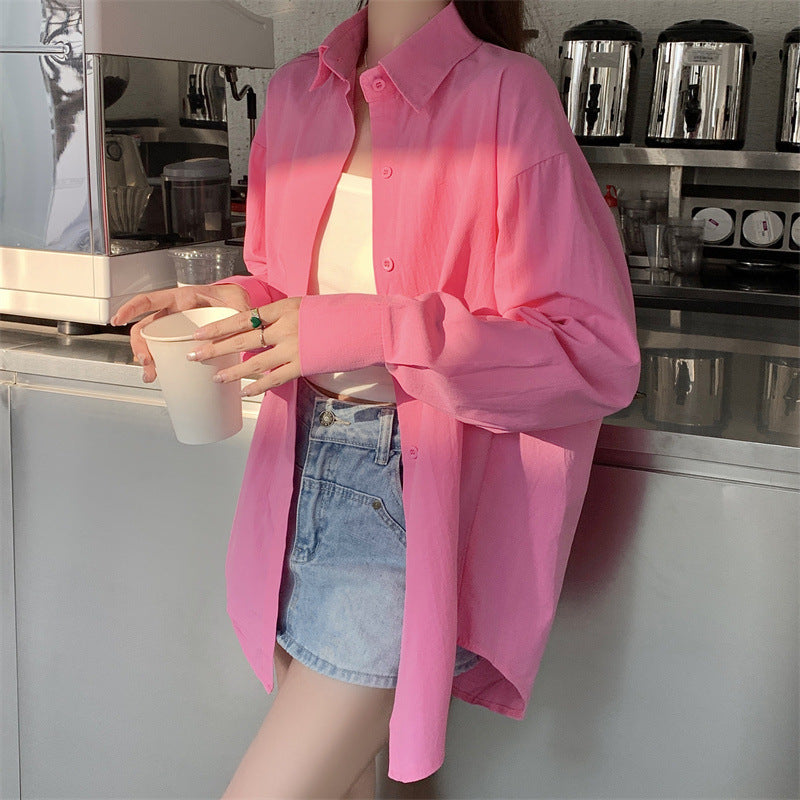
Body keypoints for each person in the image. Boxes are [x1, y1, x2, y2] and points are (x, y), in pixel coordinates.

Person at [111, 0, 641, 796]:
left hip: (402, 501)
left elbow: (591, 351)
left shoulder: (507, 95)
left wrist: (375, 330)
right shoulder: (296, 92)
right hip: (291, 483)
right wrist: (227, 307)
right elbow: (291, 291)